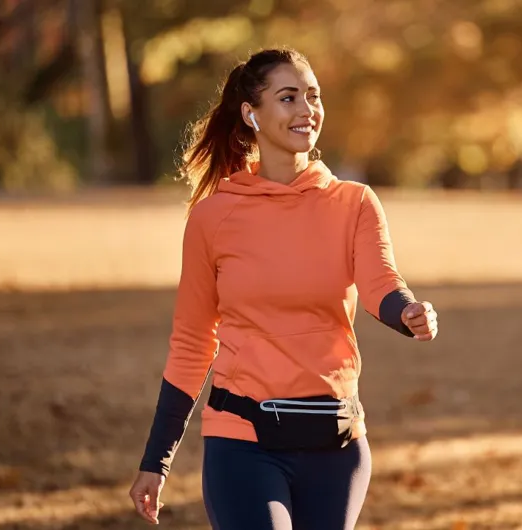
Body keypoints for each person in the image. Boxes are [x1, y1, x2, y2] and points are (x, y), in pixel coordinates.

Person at [128, 47, 439, 529]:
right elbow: (193, 342)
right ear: (250, 113)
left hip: (336, 443)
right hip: (242, 440)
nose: (306, 109)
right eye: (289, 97)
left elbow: (381, 282)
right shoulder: (214, 217)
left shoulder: (353, 202)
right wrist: (157, 460)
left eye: (313, 97)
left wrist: (407, 312)